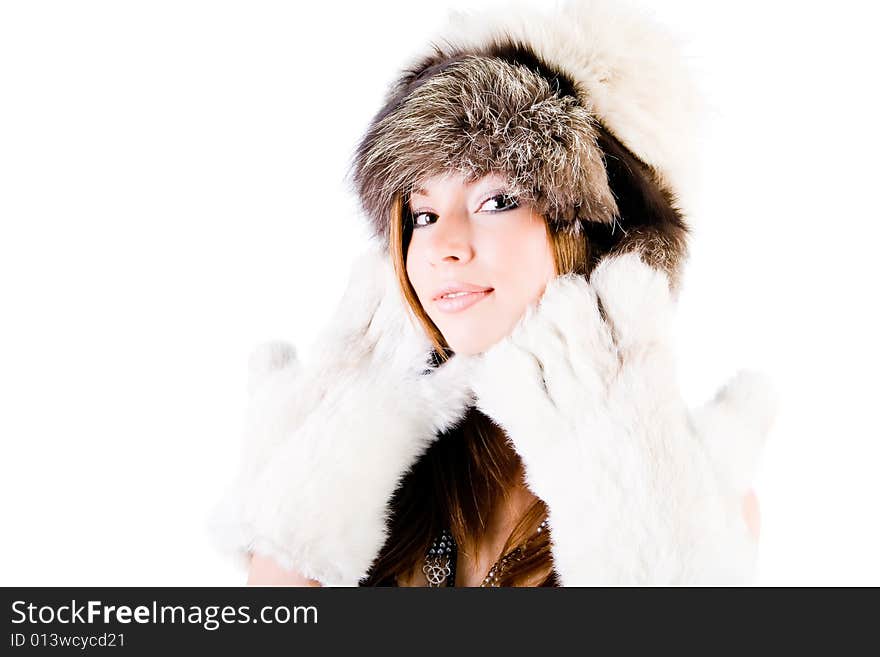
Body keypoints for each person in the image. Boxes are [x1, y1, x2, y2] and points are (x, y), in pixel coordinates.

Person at [209, 0, 775, 587]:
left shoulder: (704, 493)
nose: (442, 246)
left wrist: (631, 501)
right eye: (422, 214)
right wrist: (314, 487)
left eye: (498, 200)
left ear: (601, 235)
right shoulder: (374, 474)